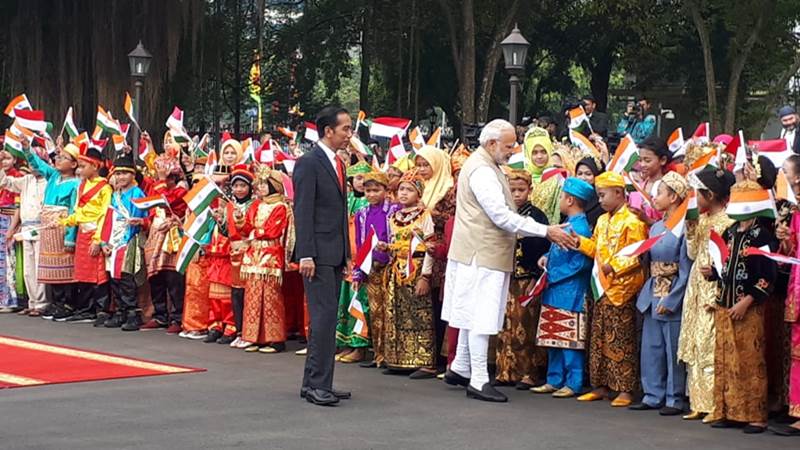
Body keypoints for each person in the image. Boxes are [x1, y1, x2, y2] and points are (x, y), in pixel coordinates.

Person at [441, 119, 574, 403]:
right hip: (483, 253)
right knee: (481, 316)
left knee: (469, 313)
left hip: (474, 252)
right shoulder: (483, 172)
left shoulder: (484, 165)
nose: (513, 150)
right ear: (491, 144)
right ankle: (478, 380)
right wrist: (545, 230)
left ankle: (461, 366)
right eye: (508, 145)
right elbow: (500, 216)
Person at [704, 179, 777, 434]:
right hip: (725, 304)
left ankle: (756, 415)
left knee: (749, 361)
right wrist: (712, 272)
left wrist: (746, 302)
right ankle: (728, 411)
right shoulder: (731, 231)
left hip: (748, 307)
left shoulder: (763, 235)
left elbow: (768, 274)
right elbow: (725, 267)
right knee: (725, 360)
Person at [294, 105, 353, 406]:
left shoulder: (338, 163)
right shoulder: (308, 162)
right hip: (316, 254)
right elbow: (302, 210)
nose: (349, 134)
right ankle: (318, 384)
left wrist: (346, 254)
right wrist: (306, 253)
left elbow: (339, 212)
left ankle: (315, 382)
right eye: (345, 129)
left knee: (327, 319)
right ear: (328, 131)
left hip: (334, 253)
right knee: (323, 318)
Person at [575, 171, 647, 407]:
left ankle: (625, 388)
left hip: (622, 289)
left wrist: (613, 267)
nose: (601, 200)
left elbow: (636, 255)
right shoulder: (603, 220)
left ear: (618, 193)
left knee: (622, 340)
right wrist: (579, 242)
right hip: (600, 288)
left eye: (603, 195)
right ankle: (601, 385)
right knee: (598, 340)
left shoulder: (633, 221)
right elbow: (595, 247)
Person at [629, 172, 691, 415]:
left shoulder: (685, 227)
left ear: (674, 197)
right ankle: (652, 393)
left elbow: (685, 268)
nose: (654, 198)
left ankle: (673, 397)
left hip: (672, 287)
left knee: (671, 346)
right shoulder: (655, 226)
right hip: (652, 287)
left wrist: (673, 298)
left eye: (660, 193)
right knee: (651, 346)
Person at [679, 165, 735, 422]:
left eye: (698, 193)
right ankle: (697, 401)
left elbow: (727, 258)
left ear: (710, 195)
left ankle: (714, 404)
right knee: (694, 341)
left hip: (714, 285)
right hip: (696, 285)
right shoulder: (701, 219)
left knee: (709, 343)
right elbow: (692, 253)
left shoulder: (728, 221)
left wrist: (716, 280)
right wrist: (691, 228)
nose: (696, 198)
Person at [532, 177, 594, 398]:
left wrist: (554, 275)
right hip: (555, 288)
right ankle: (554, 378)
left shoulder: (581, 228)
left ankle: (573, 381)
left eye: (560, 197)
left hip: (571, 290)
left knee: (569, 339)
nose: (559, 200)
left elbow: (582, 262)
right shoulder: (567, 224)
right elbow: (558, 251)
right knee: (552, 336)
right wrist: (546, 257)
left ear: (569, 200)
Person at [494, 169, 550, 390]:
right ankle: (505, 370)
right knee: (503, 325)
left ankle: (529, 371)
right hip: (505, 275)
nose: (516, 194)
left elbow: (540, 246)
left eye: (521, 190)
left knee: (524, 325)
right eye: (512, 190)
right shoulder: (502, 213)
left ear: (530, 190)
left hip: (526, 277)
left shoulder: (536, 216)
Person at [380, 169, 437, 378]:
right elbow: (395, 242)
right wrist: (386, 247)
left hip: (417, 268)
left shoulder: (424, 215)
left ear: (418, 194)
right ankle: (399, 359)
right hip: (397, 269)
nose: (403, 193)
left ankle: (425, 361)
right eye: (401, 189)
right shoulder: (394, 217)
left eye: (409, 190)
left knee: (419, 314)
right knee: (396, 313)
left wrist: (425, 276)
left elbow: (429, 245)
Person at [240, 165, 295, 353]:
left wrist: (255, 232)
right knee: (253, 296)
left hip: (270, 254)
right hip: (254, 254)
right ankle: (254, 337)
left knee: (271, 297)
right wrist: (242, 223)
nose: (261, 188)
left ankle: (275, 339)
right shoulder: (256, 205)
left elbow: (274, 230)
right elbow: (247, 227)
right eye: (260, 184)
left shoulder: (281, 206)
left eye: (265, 184)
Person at [59, 144, 112, 323]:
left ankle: (101, 309)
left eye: (83, 166)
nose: (80, 170)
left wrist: (98, 239)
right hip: (82, 232)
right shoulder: (82, 186)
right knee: (82, 273)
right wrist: (63, 222)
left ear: (95, 166)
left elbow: (105, 214)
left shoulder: (105, 188)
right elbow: (78, 211)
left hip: (95, 233)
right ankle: (86, 308)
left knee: (97, 274)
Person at [351, 171, 399, 369]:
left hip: (391, 267)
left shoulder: (394, 211)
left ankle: (392, 355)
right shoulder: (362, 214)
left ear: (386, 190)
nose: (371, 194)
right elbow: (361, 243)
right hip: (371, 268)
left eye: (376, 190)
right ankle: (378, 354)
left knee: (391, 311)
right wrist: (358, 272)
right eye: (368, 190)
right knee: (375, 312)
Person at [97, 152, 147, 331]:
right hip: (114, 240)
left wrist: (126, 239)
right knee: (114, 277)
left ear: (133, 175)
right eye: (118, 173)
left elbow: (139, 217)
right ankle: (120, 311)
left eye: (125, 173)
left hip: (129, 239)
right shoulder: (114, 195)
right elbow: (108, 218)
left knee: (127, 277)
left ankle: (132, 313)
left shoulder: (137, 193)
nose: (121, 177)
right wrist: (105, 241)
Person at [32, 141, 79, 321]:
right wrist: (27, 148)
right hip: (48, 227)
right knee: (52, 267)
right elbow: (38, 164)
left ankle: (68, 303)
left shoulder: (76, 184)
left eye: (63, 158)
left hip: (62, 225)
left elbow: (74, 210)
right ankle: (56, 301)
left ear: (74, 164)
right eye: (58, 157)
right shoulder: (53, 177)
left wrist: (70, 237)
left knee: (65, 267)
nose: (58, 160)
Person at [142, 148, 188, 333]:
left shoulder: (181, 189)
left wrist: (161, 182)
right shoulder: (157, 185)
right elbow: (152, 204)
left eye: (168, 177)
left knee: (173, 278)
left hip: (173, 236)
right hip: (156, 234)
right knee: (155, 276)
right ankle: (160, 314)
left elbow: (166, 201)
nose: (164, 180)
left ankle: (177, 317)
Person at [0, 144, 47, 316]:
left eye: (37, 162)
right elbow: (5, 182)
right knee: (28, 268)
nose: (33, 166)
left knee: (39, 266)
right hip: (27, 227)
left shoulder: (49, 180)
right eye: (31, 163)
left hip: (42, 227)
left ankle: (42, 303)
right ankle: (32, 301)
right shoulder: (26, 180)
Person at [773, 154, 800, 435]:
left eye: (785, 171)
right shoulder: (794, 210)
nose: (783, 176)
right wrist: (786, 241)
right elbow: (791, 253)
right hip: (796, 285)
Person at [335, 161, 372, 363]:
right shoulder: (347, 199)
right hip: (347, 255)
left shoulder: (369, 203)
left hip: (362, 257)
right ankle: (347, 341)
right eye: (357, 178)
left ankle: (360, 346)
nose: (361, 183)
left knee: (360, 300)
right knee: (345, 300)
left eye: (364, 179)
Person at [220, 165, 255, 348]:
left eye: (243, 186)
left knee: (249, 293)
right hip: (233, 254)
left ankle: (250, 332)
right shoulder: (230, 205)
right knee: (236, 293)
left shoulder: (255, 205)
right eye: (236, 186)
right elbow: (227, 232)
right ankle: (239, 331)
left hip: (249, 252)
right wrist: (220, 222)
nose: (239, 189)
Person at [629, 136, 670, 225]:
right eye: (640, 160)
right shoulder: (639, 186)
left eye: (647, 161)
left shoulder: (669, 188)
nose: (642, 164)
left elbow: (670, 225)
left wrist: (648, 220)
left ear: (663, 160)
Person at [525, 127, 561, 225]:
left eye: (544, 151)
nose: (539, 156)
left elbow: (557, 212)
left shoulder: (558, 177)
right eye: (534, 152)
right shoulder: (521, 176)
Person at [574, 156, 604, 227]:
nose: (583, 178)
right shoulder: (571, 196)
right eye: (579, 174)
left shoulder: (601, 200)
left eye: (588, 174)